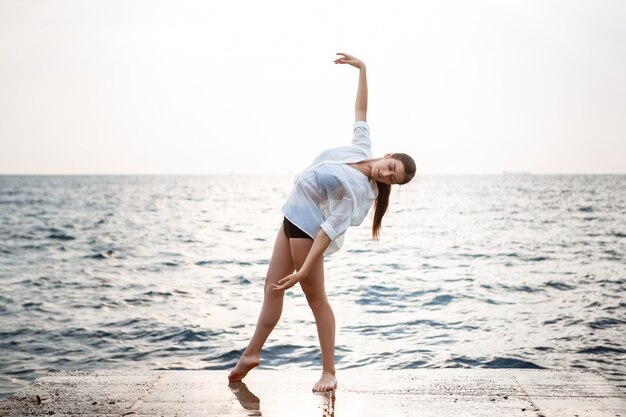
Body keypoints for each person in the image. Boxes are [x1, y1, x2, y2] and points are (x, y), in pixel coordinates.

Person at [228, 52, 416, 392]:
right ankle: (252, 354)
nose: (386, 174)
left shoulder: (360, 192)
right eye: (391, 167)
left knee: (317, 300)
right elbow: (361, 112)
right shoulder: (360, 148)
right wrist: (362, 69)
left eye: (393, 179)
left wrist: (304, 270)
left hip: (306, 229)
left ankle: (329, 372)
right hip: (291, 216)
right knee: (271, 289)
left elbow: (329, 231)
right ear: (388, 155)